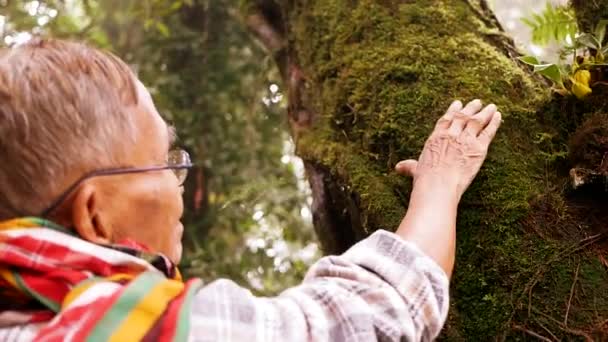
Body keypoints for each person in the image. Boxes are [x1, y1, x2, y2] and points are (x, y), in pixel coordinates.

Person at [0, 39, 501, 341]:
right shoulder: (115, 326)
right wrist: (440, 184)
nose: (180, 185)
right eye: (165, 162)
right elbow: (369, 316)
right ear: (96, 216)